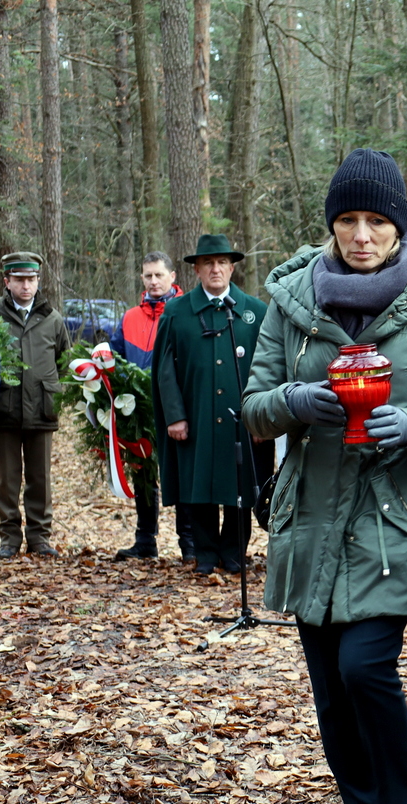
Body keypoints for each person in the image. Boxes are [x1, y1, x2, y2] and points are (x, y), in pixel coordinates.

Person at [242, 148, 407, 804]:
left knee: (363, 668)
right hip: (310, 519)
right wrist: (297, 402)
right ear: (332, 225)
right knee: (329, 691)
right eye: (349, 220)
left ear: (400, 227)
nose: (363, 235)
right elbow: (252, 407)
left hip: (391, 522)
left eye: (378, 221)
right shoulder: (289, 300)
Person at [153, 234, 268, 575]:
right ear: (197, 270)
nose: (215, 269)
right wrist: (175, 416)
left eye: (221, 263)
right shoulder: (176, 313)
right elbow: (164, 370)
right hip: (196, 415)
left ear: (232, 268)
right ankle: (204, 553)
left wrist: (264, 419)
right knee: (198, 483)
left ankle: (234, 553)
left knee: (240, 484)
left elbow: (270, 367)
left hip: (244, 419)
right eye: (208, 263)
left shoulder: (255, 312)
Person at [0, 252, 70, 559]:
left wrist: (54, 389)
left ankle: (39, 537)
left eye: (31, 279)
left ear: (38, 281)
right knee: (6, 479)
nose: (26, 285)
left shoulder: (52, 318)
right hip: (4, 408)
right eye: (19, 280)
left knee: (40, 478)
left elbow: (65, 361)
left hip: (42, 409)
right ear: (7, 282)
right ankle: (9, 538)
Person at [111, 252, 188, 560]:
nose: (153, 281)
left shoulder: (184, 312)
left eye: (159, 275)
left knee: (182, 475)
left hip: (177, 409)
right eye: (148, 276)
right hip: (139, 410)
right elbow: (114, 356)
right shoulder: (130, 317)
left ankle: (190, 542)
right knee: (142, 473)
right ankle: (145, 539)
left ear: (172, 276)